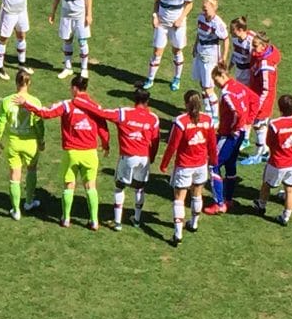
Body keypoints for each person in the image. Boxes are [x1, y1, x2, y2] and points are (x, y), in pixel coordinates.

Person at [17, 75, 109, 230]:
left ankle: (66, 218)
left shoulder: (67, 105)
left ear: (74, 88)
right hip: (90, 153)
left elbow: (45, 113)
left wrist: (26, 104)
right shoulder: (95, 106)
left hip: (72, 153)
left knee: (69, 186)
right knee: (90, 186)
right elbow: (103, 127)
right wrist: (106, 145)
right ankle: (94, 221)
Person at [73, 84, 161, 231]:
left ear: (134, 99)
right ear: (148, 101)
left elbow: (101, 113)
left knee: (119, 187)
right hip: (144, 158)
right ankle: (137, 220)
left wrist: (79, 101)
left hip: (128, 156)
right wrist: (151, 157)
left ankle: (118, 222)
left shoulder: (124, 113)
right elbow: (156, 141)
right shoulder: (153, 118)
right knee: (139, 188)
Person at [159, 91, 217, 245]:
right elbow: (212, 143)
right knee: (197, 194)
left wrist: (164, 164)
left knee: (179, 199)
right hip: (201, 165)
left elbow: (172, 146)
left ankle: (178, 234)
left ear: (186, 104)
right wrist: (214, 160)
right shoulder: (208, 120)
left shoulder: (181, 121)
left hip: (184, 165)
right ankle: (194, 223)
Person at [204, 67, 259, 215]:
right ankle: (228, 199)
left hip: (228, 135)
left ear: (222, 76)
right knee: (230, 164)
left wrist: (236, 126)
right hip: (240, 134)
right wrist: (249, 122)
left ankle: (219, 203)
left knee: (213, 165)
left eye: (216, 80)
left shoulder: (227, 93)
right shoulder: (239, 86)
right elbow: (255, 99)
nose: (215, 84)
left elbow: (237, 113)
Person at [0, 69, 46, 220]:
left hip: (14, 142)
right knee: (31, 171)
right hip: (30, 143)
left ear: (16, 82)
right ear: (29, 83)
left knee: (14, 175)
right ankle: (29, 202)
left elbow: (0, 124)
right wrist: (41, 141)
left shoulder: (6, 101)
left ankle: (16, 210)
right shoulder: (35, 101)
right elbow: (39, 124)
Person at [142, 0, 194, 91]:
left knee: (177, 50)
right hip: (162, 23)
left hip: (178, 25)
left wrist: (181, 18)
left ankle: (177, 78)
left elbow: (190, 3)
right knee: (157, 51)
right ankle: (150, 78)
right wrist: (154, 16)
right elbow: (157, 1)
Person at [252, 95, 292, 226]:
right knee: (290, 189)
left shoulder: (275, 124)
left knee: (266, 185)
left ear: (280, 108)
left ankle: (261, 205)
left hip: (277, 162)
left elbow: (269, 142)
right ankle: (286, 217)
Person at [49, 0, 93, 79]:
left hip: (80, 14)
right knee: (67, 39)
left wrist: (89, 14)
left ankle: (84, 68)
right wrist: (52, 13)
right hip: (66, 14)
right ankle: (68, 67)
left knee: (82, 41)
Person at [241, 31, 282, 165]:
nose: (253, 48)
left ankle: (258, 154)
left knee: (259, 125)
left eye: (255, 45)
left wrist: (259, 104)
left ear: (263, 46)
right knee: (260, 126)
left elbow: (266, 88)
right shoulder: (262, 55)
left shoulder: (265, 65)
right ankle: (264, 150)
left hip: (263, 99)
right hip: (257, 96)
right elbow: (251, 33)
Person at [192, 0, 230, 122]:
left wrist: (223, 57)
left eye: (206, 9)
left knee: (209, 87)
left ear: (214, 8)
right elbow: (199, 33)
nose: (204, 11)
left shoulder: (218, 23)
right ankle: (207, 110)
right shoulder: (201, 18)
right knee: (203, 84)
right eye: (203, 8)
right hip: (200, 52)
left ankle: (215, 116)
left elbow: (225, 40)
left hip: (211, 55)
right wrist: (194, 46)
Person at [228, 16, 255, 86]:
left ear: (240, 30)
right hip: (238, 71)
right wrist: (229, 68)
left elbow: (255, 59)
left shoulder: (250, 42)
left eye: (232, 30)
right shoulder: (235, 39)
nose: (230, 32)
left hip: (248, 74)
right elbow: (235, 54)